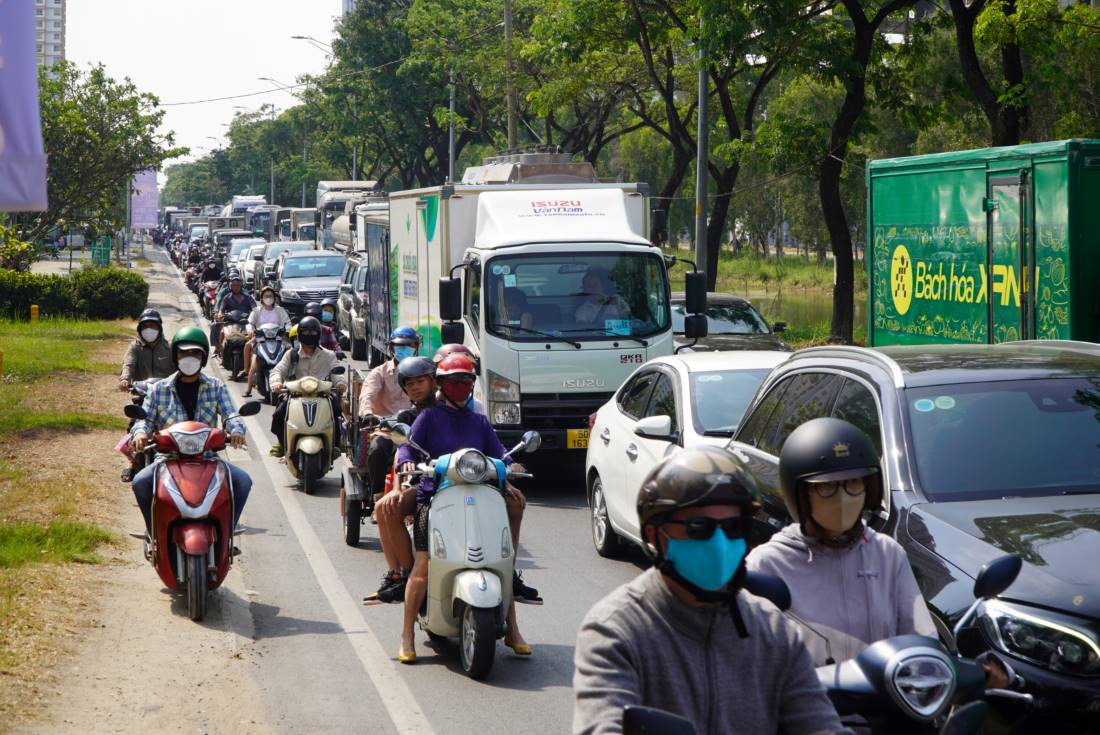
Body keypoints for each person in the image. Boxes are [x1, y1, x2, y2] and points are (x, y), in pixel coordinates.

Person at [572, 447, 847, 735]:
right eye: (698, 527)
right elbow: (603, 726)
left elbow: (820, 725)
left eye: (732, 527)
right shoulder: (615, 630)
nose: (719, 543)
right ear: (656, 535)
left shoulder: (773, 631)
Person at [746, 417, 936, 667]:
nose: (843, 499)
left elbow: (922, 642)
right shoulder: (768, 565)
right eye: (827, 487)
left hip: (882, 702)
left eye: (853, 483)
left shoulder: (887, 554)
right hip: (803, 702)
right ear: (801, 495)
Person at [395, 354, 539, 663]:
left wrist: (513, 464)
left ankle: (512, 629)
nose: (460, 387)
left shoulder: (479, 421)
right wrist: (406, 459)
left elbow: (500, 452)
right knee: (423, 565)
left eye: (466, 381)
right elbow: (408, 446)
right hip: (436, 499)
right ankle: (407, 633)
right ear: (442, 386)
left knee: (503, 564)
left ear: (472, 385)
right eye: (453, 382)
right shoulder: (429, 417)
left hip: (479, 496)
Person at [129, 328, 252, 533]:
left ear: (203, 357)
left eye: (195, 354)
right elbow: (145, 419)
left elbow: (231, 415)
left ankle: (227, 532)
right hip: (167, 459)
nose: (189, 358)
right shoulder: (158, 389)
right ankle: (153, 532)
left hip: (208, 458)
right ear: (175, 356)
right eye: (184, 353)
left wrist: (236, 430)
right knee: (140, 482)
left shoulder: (216, 386)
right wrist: (140, 433)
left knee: (242, 482)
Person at [363, 356, 439, 605]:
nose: (416, 387)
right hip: (424, 484)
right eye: (410, 384)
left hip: (462, 482)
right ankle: (401, 574)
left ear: (434, 381)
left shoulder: (465, 411)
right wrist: (396, 488)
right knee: (384, 506)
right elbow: (401, 451)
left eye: (421, 381)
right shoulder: (409, 417)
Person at [267, 316, 347, 457]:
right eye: (305, 332)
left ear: (319, 334)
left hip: (323, 396)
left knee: (336, 414)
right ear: (299, 335)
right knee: (279, 415)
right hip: (295, 396)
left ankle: (335, 444)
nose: (309, 335)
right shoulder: (291, 354)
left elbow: (337, 372)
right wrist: (276, 383)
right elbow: (277, 371)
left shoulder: (329, 355)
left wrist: (340, 383)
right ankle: (283, 443)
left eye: (313, 332)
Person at [357, 327, 420, 502]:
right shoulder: (379, 373)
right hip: (386, 428)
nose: (404, 349)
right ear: (391, 348)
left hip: (416, 430)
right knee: (377, 450)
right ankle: (378, 496)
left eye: (409, 345)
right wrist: (368, 413)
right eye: (400, 346)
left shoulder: (423, 371)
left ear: (416, 347)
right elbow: (367, 394)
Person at [118, 309, 176, 481]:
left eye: (153, 325)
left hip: (166, 398)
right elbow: (128, 364)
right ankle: (134, 464)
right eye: (146, 326)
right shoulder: (135, 347)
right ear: (140, 329)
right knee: (133, 429)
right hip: (141, 397)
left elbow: (179, 369)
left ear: (159, 328)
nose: (149, 329)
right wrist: (125, 379)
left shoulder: (169, 348)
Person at [243, 287, 291, 397]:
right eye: (266, 296)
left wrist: (287, 330)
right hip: (260, 339)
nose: (268, 298)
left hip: (279, 339)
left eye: (270, 296)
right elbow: (250, 323)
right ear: (262, 298)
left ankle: (292, 379)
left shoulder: (280, 310)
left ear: (274, 298)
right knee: (251, 355)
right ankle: (248, 387)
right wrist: (251, 331)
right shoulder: (256, 311)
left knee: (291, 350)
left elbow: (287, 323)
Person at [214, 274, 256, 358]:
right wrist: (220, 314)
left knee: (252, 335)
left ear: (241, 286)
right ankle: (220, 352)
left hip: (245, 322)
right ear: (230, 286)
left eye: (237, 285)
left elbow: (255, 309)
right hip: (230, 322)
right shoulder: (226, 297)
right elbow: (221, 309)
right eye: (233, 285)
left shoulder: (248, 297)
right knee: (221, 332)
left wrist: (255, 315)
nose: (236, 287)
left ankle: (251, 356)